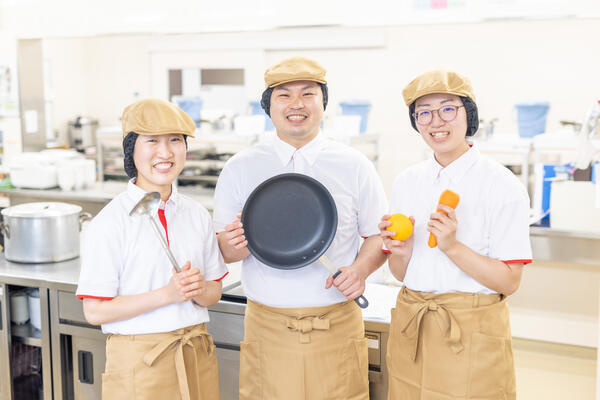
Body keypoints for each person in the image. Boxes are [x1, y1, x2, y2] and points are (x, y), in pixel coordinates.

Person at [214, 56, 388, 400]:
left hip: (336, 323)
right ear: (269, 107)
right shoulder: (240, 168)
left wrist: (360, 269)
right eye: (284, 95)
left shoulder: (354, 165)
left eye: (308, 94)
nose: (297, 104)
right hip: (268, 327)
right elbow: (224, 249)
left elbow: (379, 234)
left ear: (324, 103)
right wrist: (235, 244)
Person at [379, 70, 532, 399]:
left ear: (469, 114)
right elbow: (401, 273)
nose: (436, 122)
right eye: (424, 112)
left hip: (469, 330)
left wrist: (451, 246)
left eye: (448, 109)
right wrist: (401, 252)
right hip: (413, 325)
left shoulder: (501, 185)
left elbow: (509, 282)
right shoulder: (407, 182)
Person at [76, 98, 228, 400]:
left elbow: (214, 293)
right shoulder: (109, 223)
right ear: (131, 149)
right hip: (140, 363)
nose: (165, 152)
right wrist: (167, 295)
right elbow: (94, 311)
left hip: (195, 353)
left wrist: (197, 289)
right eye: (152, 141)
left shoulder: (197, 214)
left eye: (175, 140)